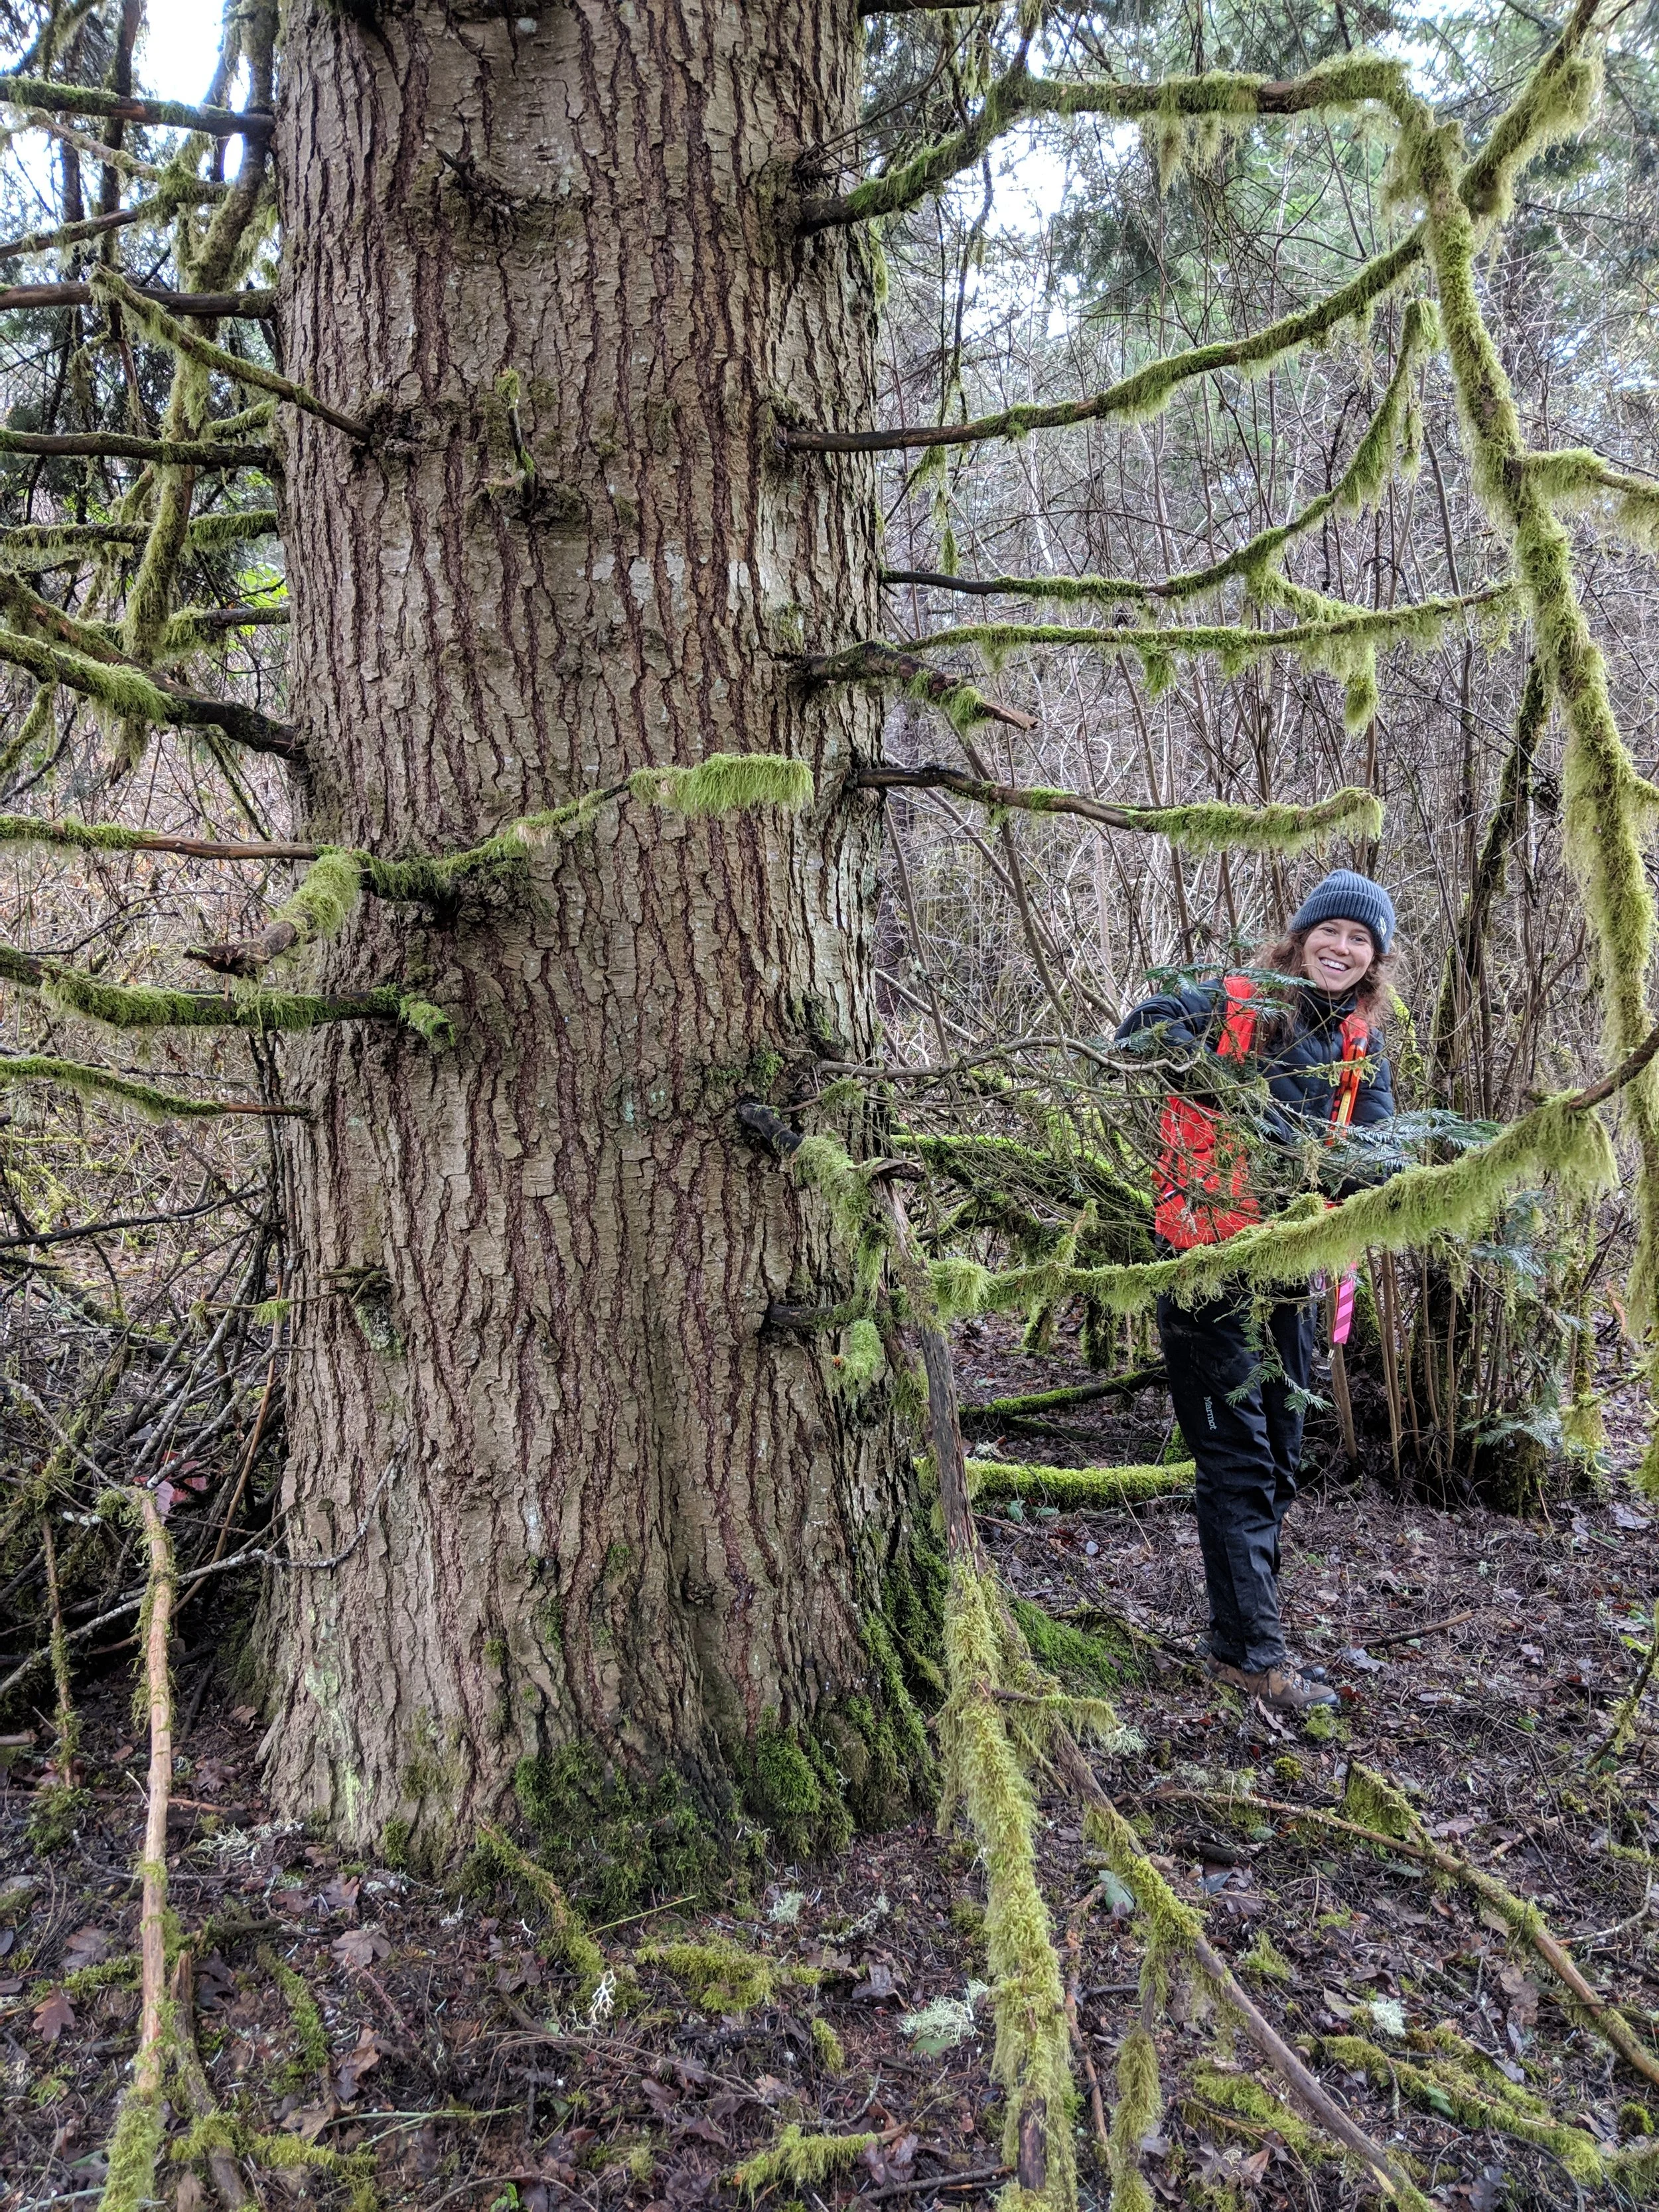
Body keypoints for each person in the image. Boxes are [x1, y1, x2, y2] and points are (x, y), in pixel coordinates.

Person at [1115, 869, 1399, 1716]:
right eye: (1330, 932)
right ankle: (1254, 1657)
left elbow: (1379, 1151)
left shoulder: (1357, 1044)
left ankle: (1237, 1638)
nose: (1341, 949)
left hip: (1286, 1280)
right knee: (1237, 1461)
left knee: (1278, 1454)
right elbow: (1138, 1036)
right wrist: (1224, 1093)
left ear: (1374, 960)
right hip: (1205, 1264)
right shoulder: (1236, 1000)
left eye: (1360, 941)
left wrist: (1331, 1168)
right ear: (1301, 934)